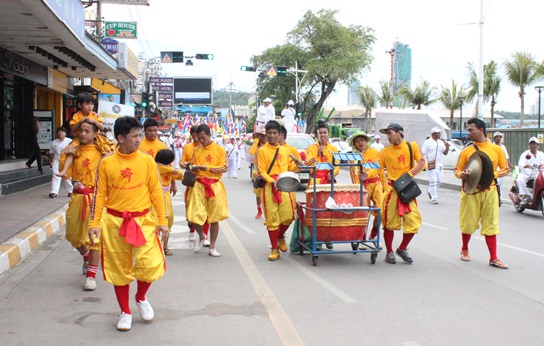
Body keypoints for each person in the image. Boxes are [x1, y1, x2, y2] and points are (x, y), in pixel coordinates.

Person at [89, 116, 168, 331]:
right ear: (120, 138)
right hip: (115, 222)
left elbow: (156, 193)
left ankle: (141, 297)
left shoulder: (147, 161)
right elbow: (99, 195)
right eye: (134, 136)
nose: (138, 140)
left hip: (143, 221)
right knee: (119, 269)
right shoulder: (107, 163)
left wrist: (162, 220)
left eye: (139, 135)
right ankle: (125, 311)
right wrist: (94, 223)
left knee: (149, 264)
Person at [60, 119, 110, 291]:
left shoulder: (102, 149)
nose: (83, 134)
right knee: (73, 236)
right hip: (78, 198)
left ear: (96, 133)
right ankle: (86, 255)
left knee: (95, 238)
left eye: (87, 131)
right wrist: (64, 152)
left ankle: (91, 275)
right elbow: (64, 173)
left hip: (97, 199)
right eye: (81, 131)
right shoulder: (74, 148)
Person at [454, 118, 509, 269]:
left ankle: (494, 257)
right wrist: (462, 175)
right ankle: (464, 248)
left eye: (471, 129)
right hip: (471, 191)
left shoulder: (496, 149)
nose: (468, 132)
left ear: (481, 130)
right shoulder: (466, 151)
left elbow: (505, 169)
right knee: (468, 222)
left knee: (491, 224)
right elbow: (457, 170)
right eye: (468, 130)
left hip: (490, 190)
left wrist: (492, 175)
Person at [378, 122, 425, 264]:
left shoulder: (412, 146)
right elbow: (378, 169)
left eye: (390, 133)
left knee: (414, 221)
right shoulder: (385, 152)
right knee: (388, 223)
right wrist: (374, 179)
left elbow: (422, 163)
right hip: (392, 190)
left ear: (399, 133)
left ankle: (402, 248)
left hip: (407, 190)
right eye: (386, 133)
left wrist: (408, 176)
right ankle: (389, 252)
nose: (388, 136)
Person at [185, 124, 228, 257]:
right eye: (198, 138)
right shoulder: (197, 150)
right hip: (199, 184)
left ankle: (212, 247)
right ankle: (202, 236)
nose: (200, 141)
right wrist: (192, 167)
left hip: (214, 185)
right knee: (194, 215)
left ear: (209, 135)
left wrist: (207, 169)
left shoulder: (220, 150)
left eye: (203, 138)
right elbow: (192, 166)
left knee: (214, 217)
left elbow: (223, 167)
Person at [258, 120, 298, 261]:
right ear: (266, 134)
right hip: (269, 188)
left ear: (280, 135)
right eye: (269, 133)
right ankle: (274, 248)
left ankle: (280, 236)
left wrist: (299, 164)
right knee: (272, 218)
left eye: (275, 133)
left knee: (289, 216)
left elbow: (291, 168)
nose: (272, 136)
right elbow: (261, 171)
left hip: (285, 186)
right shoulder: (262, 150)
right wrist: (272, 181)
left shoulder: (285, 150)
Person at [56, 92, 113, 179]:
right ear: (79, 105)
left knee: (106, 150)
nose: (90, 106)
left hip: (96, 190)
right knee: (71, 152)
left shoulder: (94, 115)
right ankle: (64, 170)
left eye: (92, 104)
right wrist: (80, 122)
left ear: (94, 133)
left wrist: (94, 121)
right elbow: (73, 128)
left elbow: (101, 127)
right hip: (78, 189)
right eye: (87, 104)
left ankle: (100, 170)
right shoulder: (77, 116)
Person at [347, 130, 384, 246]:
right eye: (357, 141)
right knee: (362, 214)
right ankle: (361, 238)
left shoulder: (374, 152)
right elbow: (353, 174)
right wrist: (358, 189)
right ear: (354, 143)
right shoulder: (353, 156)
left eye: (362, 140)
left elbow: (379, 169)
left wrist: (384, 185)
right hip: (362, 187)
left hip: (376, 184)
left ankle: (373, 235)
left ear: (366, 141)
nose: (360, 143)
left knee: (381, 212)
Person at [181, 125, 210, 244]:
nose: (197, 140)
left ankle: (205, 236)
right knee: (190, 209)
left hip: (205, 184)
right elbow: (182, 162)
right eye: (194, 137)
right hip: (192, 183)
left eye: (199, 137)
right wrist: (186, 164)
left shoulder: (208, 148)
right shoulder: (188, 148)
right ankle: (192, 230)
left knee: (206, 210)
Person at [155, 149, 184, 256]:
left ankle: (163, 246)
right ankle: (163, 247)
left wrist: (173, 184)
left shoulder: (165, 167)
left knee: (166, 219)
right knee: (164, 219)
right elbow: (180, 174)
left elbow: (175, 175)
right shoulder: (161, 167)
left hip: (164, 195)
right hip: (159, 196)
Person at [139, 118, 177, 197]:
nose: (152, 133)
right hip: (143, 184)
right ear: (145, 131)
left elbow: (169, 167)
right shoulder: (138, 146)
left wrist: (173, 184)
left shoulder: (163, 146)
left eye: (155, 130)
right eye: (149, 130)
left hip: (161, 185)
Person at [420, 127, 449, 204]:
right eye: (437, 133)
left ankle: (430, 190)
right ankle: (434, 197)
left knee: (439, 181)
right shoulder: (427, 142)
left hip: (439, 165)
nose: (439, 134)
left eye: (439, 133)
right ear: (433, 134)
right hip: (430, 163)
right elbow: (423, 153)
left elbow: (445, 153)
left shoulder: (440, 142)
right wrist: (425, 162)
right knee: (433, 181)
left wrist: (447, 146)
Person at [306, 121, 340, 186]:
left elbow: (337, 166)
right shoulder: (311, 148)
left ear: (328, 134)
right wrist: (317, 154)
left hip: (329, 180)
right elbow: (307, 164)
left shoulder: (333, 148)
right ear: (316, 135)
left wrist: (333, 173)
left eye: (325, 133)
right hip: (315, 181)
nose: (322, 135)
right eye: (320, 133)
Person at [516, 136, 544, 205]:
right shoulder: (525, 154)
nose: (533, 145)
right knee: (520, 179)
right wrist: (527, 166)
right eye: (531, 144)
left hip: (538, 173)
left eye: (534, 144)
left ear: (537, 145)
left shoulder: (541, 154)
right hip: (526, 173)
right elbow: (521, 163)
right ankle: (525, 196)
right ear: (529, 145)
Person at [248, 129, 267, 219]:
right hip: (258, 171)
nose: (264, 137)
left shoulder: (271, 145)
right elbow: (251, 153)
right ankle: (259, 210)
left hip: (269, 172)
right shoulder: (258, 145)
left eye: (264, 135)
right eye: (261, 136)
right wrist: (256, 140)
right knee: (258, 193)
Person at [49, 127, 73, 198]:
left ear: (65, 133)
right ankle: (54, 191)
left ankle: (70, 191)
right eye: (59, 132)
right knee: (56, 175)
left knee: (67, 176)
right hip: (57, 161)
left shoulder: (69, 141)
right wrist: (51, 161)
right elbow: (52, 153)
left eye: (62, 132)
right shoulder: (54, 143)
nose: (60, 133)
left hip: (66, 161)